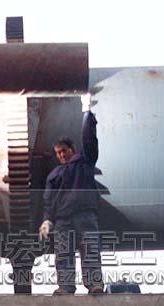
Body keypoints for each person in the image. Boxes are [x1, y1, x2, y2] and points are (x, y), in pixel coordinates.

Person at [39, 111, 104, 295]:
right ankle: (65, 287)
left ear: (72, 149)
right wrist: (47, 220)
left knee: (90, 248)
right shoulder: (54, 175)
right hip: (62, 219)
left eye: (64, 151)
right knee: (63, 253)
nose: (61, 155)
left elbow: (89, 141)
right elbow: (49, 200)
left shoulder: (85, 162)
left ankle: (94, 285)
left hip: (84, 213)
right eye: (58, 153)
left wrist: (88, 119)